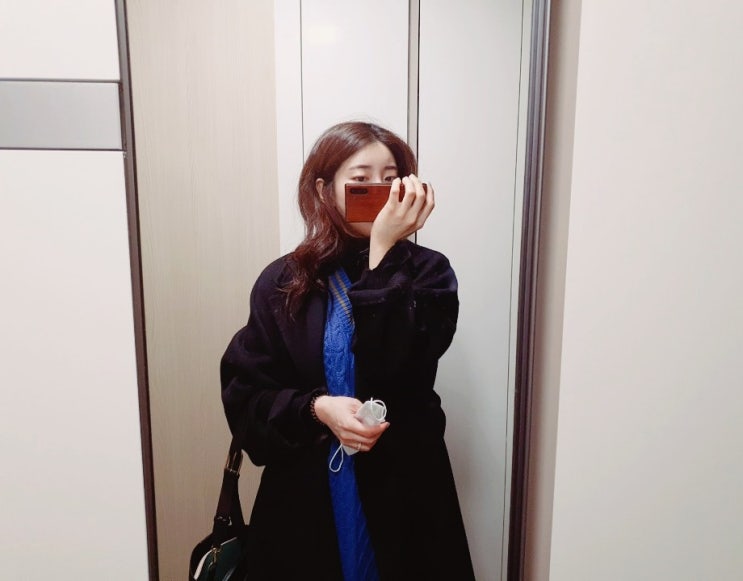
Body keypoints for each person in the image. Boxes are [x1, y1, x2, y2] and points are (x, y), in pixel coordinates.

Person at [220, 121, 474, 580]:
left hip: (406, 494)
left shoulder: (429, 274)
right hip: (306, 499)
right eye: (361, 181)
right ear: (325, 191)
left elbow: (395, 366)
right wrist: (316, 408)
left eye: (391, 179)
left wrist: (383, 251)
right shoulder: (284, 282)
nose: (380, 191)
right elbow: (246, 397)